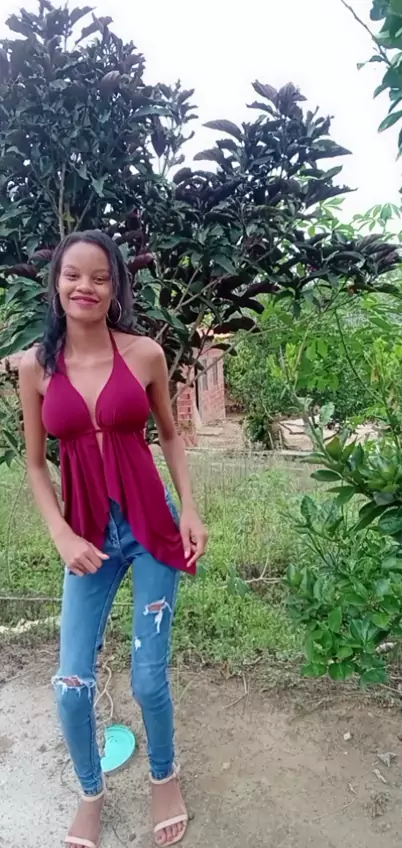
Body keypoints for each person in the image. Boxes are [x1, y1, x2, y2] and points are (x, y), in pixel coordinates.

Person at [19, 230, 208, 848]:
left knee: (148, 678)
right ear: (56, 283)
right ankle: (90, 793)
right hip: (87, 537)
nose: (86, 287)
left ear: (116, 287)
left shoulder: (144, 354)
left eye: (100, 277)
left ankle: (164, 776)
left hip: (151, 525)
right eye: (73, 274)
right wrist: (60, 535)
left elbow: (171, 434)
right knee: (71, 687)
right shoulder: (36, 367)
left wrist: (190, 510)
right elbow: (35, 465)